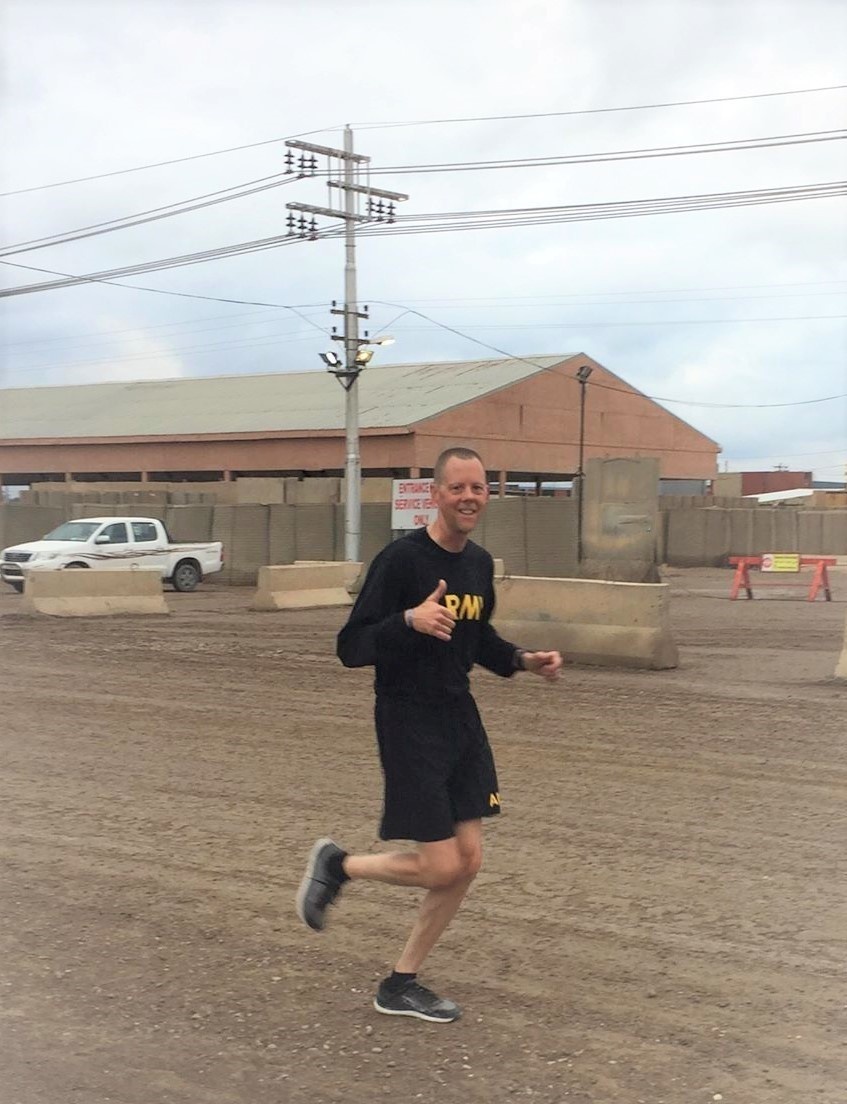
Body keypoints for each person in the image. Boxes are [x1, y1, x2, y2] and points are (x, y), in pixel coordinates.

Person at [296, 446, 562, 1023]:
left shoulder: (480, 564)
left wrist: (522, 659)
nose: (469, 497)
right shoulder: (400, 562)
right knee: (441, 866)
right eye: (458, 488)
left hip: (459, 718)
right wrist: (407, 621)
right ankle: (340, 865)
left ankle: (401, 982)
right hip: (407, 718)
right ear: (436, 494)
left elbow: (477, 637)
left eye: (479, 488)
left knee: (467, 861)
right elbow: (350, 647)